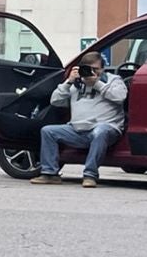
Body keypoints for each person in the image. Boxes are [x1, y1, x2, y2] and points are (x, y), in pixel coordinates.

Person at [35, 51, 127, 186]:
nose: (91, 72)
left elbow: (120, 97)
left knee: (100, 132)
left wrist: (96, 83)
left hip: (106, 127)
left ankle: (90, 175)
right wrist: (68, 81)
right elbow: (55, 101)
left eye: (95, 69)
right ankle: (50, 174)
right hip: (77, 130)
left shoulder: (113, 80)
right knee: (48, 131)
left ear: (102, 68)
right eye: (87, 69)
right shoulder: (76, 84)